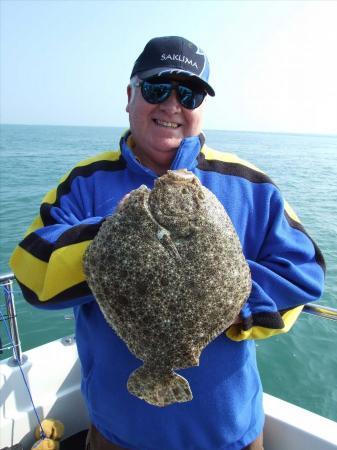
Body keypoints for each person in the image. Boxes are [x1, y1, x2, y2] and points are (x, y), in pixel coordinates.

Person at [10, 36, 325, 450]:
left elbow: (305, 271)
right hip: (116, 434)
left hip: (230, 436)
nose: (172, 105)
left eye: (189, 94)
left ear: (201, 108)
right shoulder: (84, 183)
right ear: (130, 96)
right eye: (157, 88)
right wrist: (119, 235)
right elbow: (32, 275)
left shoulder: (251, 186)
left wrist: (230, 307)